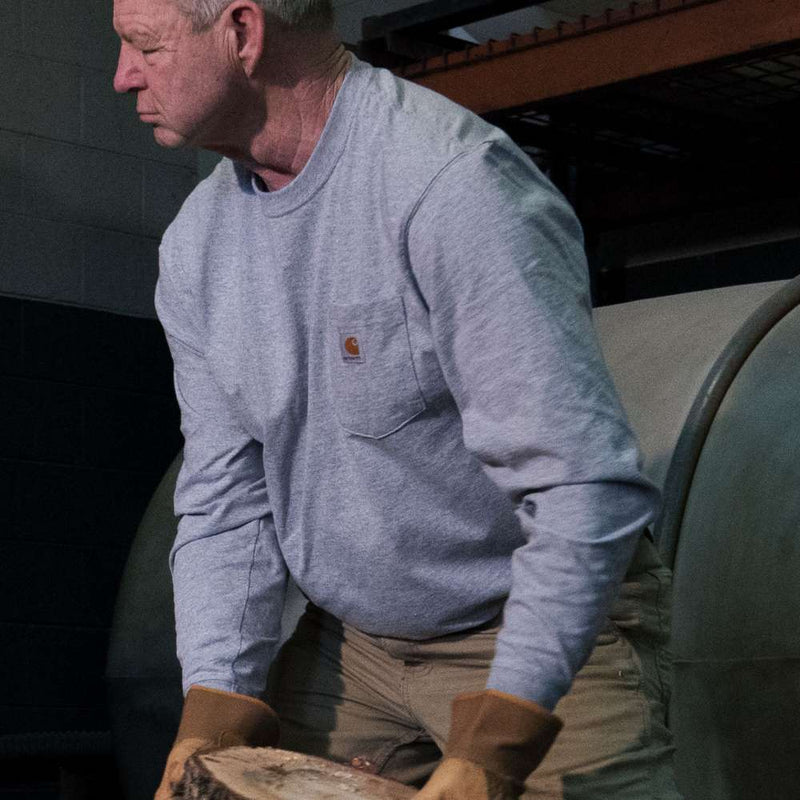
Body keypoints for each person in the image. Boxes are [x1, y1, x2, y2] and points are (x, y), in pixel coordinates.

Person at [112, 0, 682, 798]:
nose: (121, 75)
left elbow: (582, 484)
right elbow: (226, 499)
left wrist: (497, 744)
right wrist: (214, 707)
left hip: (531, 624)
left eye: (144, 45)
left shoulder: (449, 183)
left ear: (242, 32)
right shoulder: (196, 248)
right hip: (357, 645)